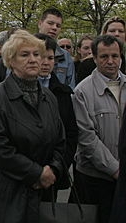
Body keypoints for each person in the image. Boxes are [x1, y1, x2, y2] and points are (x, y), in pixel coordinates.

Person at [0, 30, 66, 222]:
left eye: (36, 54)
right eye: (25, 54)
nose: (33, 59)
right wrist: (36, 173)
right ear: (11, 60)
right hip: (6, 191)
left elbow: (60, 140)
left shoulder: (49, 97)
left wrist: (53, 169)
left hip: (43, 191)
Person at [71, 34, 126, 223]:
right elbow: (87, 138)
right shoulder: (82, 92)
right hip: (94, 180)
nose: (110, 61)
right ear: (94, 58)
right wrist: (115, 170)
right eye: (104, 56)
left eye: (115, 56)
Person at [35, 33, 78, 198]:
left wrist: (57, 167)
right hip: (23, 173)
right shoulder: (13, 90)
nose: (46, 63)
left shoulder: (62, 93)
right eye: (41, 57)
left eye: (50, 58)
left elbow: (71, 134)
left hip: (52, 172)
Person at [78, 17, 126, 82]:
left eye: (121, 31)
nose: (117, 34)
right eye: (112, 31)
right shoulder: (87, 64)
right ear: (104, 33)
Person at [37, 8, 75, 88]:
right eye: (50, 23)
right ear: (40, 24)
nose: (54, 28)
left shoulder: (66, 57)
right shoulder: (23, 50)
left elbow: (71, 86)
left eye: (58, 26)